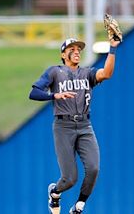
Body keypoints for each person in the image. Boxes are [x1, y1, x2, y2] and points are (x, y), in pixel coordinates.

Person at [29, 37, 120, 214]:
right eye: (72, 48)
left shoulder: (87, 73)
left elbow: (107, 73)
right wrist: (54, 96)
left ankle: (79, 206)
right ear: (63, 54)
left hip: (85, 125)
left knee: (93, 168)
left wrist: (113, 48)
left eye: (79, 49)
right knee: (70, 179)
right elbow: (34, 93)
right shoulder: (55, 72)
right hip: (63, 126)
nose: (77, 51)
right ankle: (55, 193)